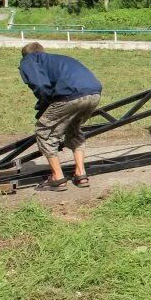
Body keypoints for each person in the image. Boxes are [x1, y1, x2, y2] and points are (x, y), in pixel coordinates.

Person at [19, 42, 102, 191]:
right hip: (94, 93)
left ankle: (57, 178)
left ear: (26, 55)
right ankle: (81, 174)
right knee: (74, 129)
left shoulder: (29, 60)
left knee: (43, 131)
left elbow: (41, 86)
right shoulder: (59, 58)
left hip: (70, 96)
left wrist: (44, 105)